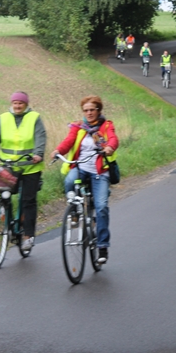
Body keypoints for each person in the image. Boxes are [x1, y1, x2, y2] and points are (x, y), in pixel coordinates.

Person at [51, 95, 119, 264]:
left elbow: (112, 138)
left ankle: (102, 246)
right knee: (68, 182)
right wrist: (58, 150)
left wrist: (110, 147)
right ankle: (75, 213)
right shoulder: (78, 127)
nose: (89, 113)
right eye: (86, 110)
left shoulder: (106, 125)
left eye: (92, 110)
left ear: (99, 110)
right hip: (80, 167)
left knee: (102, 207)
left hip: (99, 171)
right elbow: (68, 141)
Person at [0, 91, 46, 252]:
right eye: (15, 103)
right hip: (9, 165)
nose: (17, 106)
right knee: (3, 194)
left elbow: (40, 137)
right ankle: (7, 222)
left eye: (20, 103)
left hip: (31, 166)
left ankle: (27, 236)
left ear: (26, 104)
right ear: (11, 104)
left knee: (28, 201)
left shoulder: (34, 117)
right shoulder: (3, 118)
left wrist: (38, 153)